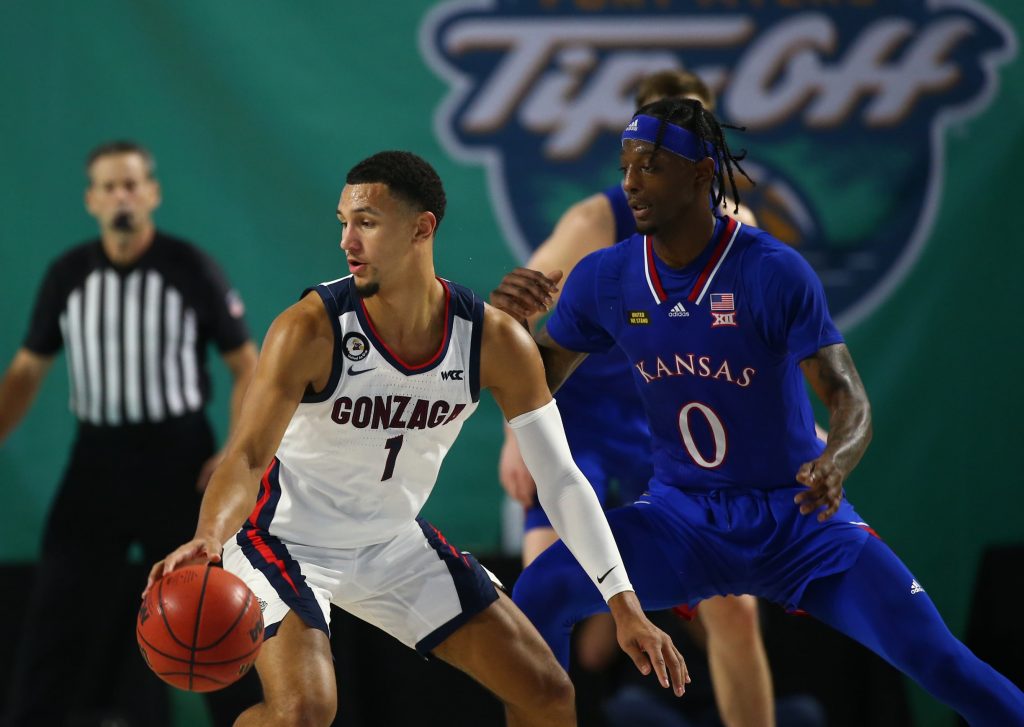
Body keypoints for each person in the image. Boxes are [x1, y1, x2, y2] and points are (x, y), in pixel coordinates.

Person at [498, 99, 1024, 726]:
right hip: (683, 517)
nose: (631, 183)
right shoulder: (607, 276)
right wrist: (511, 333)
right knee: (537, 595)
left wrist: (836, 460)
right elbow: (540, 376)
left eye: (651, 166)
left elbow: (847, 397)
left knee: (941, 664)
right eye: (625, 166)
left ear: (699, 174)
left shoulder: (771, 271)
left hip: (796, 521)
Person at [145, 150, 686, 727]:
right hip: (284, 539)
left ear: (421, 228)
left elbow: (560, 479)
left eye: (367, 224)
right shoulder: (309, 328)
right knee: (306, 709)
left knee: (548, 691)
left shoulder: (489, 340)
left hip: (390, 541)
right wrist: (208, 536)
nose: (347, 241)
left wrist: (623, 604)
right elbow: (248, 456)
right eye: (343, 223)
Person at [493, 69, 774, 727]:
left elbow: (768, 340)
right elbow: (510, 321)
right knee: (542, 597)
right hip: (582, 424)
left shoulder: (737, 226)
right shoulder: (597, 220)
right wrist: (516, 432)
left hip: (672, 430)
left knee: (733, 604)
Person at [0, 140, 259, 726]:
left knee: (212, 617)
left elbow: (248, 365)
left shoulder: (190, 267)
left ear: (152, 193)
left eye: (131, 184)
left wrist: (231, 452)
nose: (122, 196)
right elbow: (25, 372)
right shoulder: (67, 276)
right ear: (92, 200)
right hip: (98, 462)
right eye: (109, 186)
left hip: (181, 459)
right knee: (56, 618)